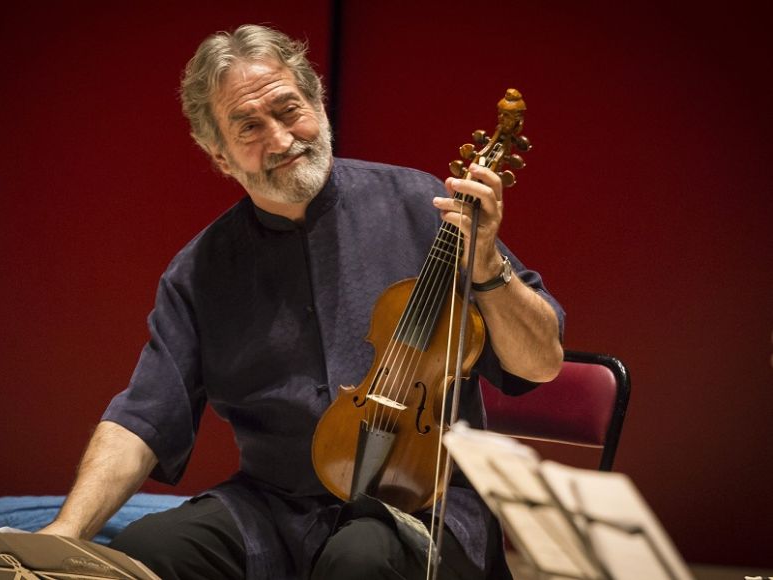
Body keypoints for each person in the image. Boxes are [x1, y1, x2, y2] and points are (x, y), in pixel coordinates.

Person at [40, 24, 564, 580]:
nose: (282, 139)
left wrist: (487, 270)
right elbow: (142, 418)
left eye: (289, 110)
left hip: (424, 503)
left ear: (318, 104)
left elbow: (540, 362)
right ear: (219, 157)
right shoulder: (199, 270)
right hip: (274, 507)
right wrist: (64, 534)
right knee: (147, 550)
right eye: (249, 126)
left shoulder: (422, 205)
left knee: (359, 558)